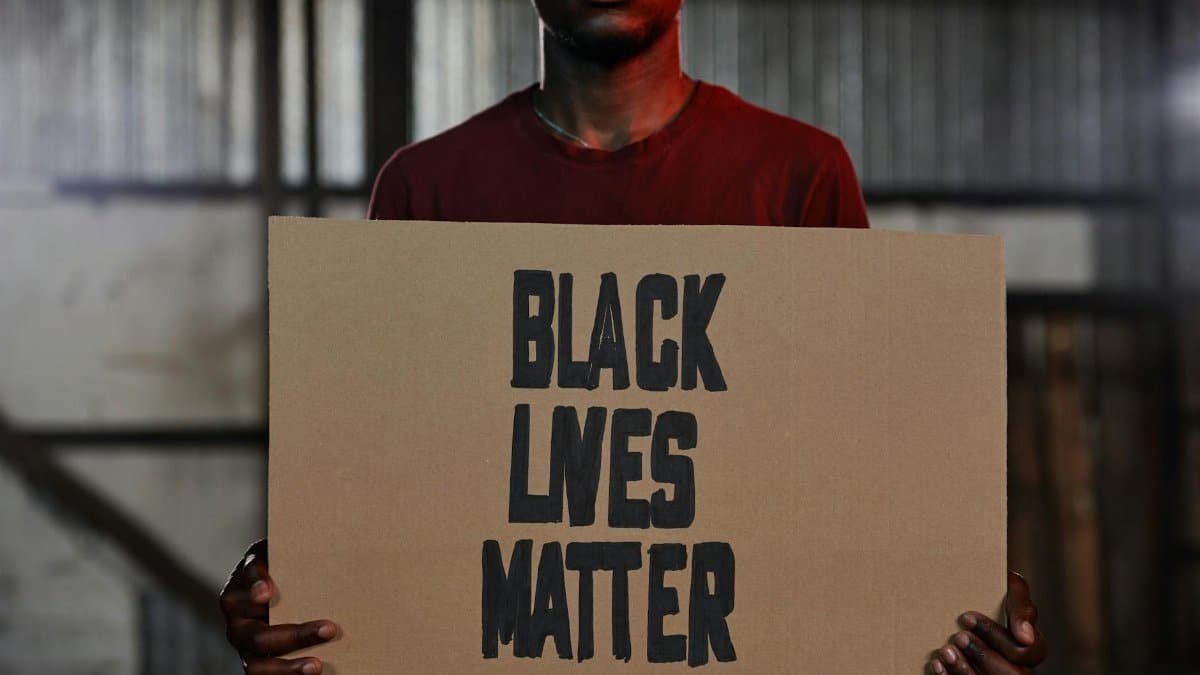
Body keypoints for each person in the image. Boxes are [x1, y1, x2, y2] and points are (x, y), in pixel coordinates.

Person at [220, 1, 1048, 674]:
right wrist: (299, 584)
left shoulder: (800, 174)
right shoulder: (426, 186)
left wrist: (947, 577)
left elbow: (860, 459)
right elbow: (391, 471)